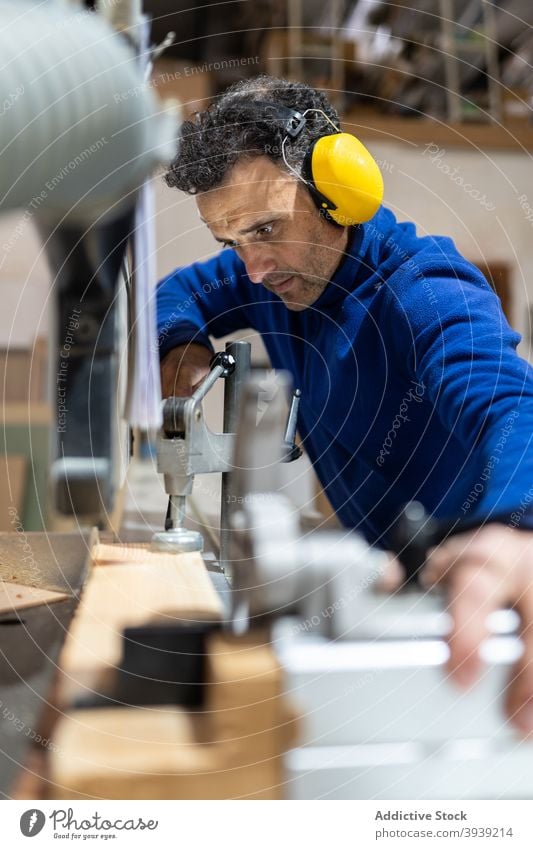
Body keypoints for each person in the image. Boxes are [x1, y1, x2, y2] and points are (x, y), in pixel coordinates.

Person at [156, 75, 533, 733]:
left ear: (338, 190)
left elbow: (513, 408)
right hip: (379, 587)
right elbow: (177, 290)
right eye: (231, 239)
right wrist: (180, 344)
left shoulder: (425, 291)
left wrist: (515, 530)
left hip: (474, 595)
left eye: (266, 228)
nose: (251, 269)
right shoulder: (274, 277)